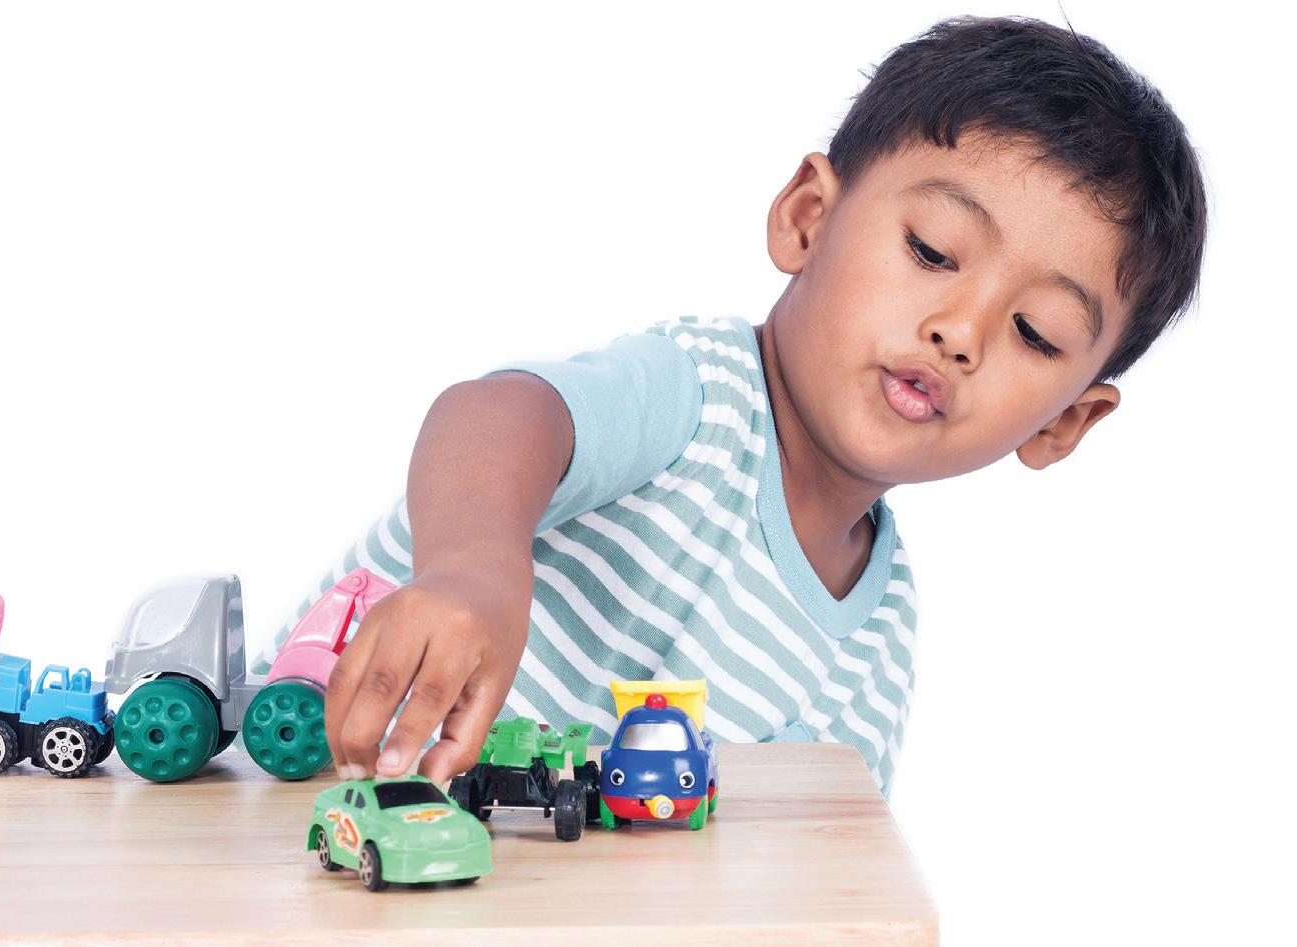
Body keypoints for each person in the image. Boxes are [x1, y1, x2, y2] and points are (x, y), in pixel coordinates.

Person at [256, 14, 1207, 795]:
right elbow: (499, 415)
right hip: (306, 797)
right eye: (931, 251)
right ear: (808, 218)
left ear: (1063, 422)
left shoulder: (876, 645)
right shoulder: (697, 396)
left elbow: (810, 860)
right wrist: (472, 568)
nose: (961, 332)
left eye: (1036, 332)